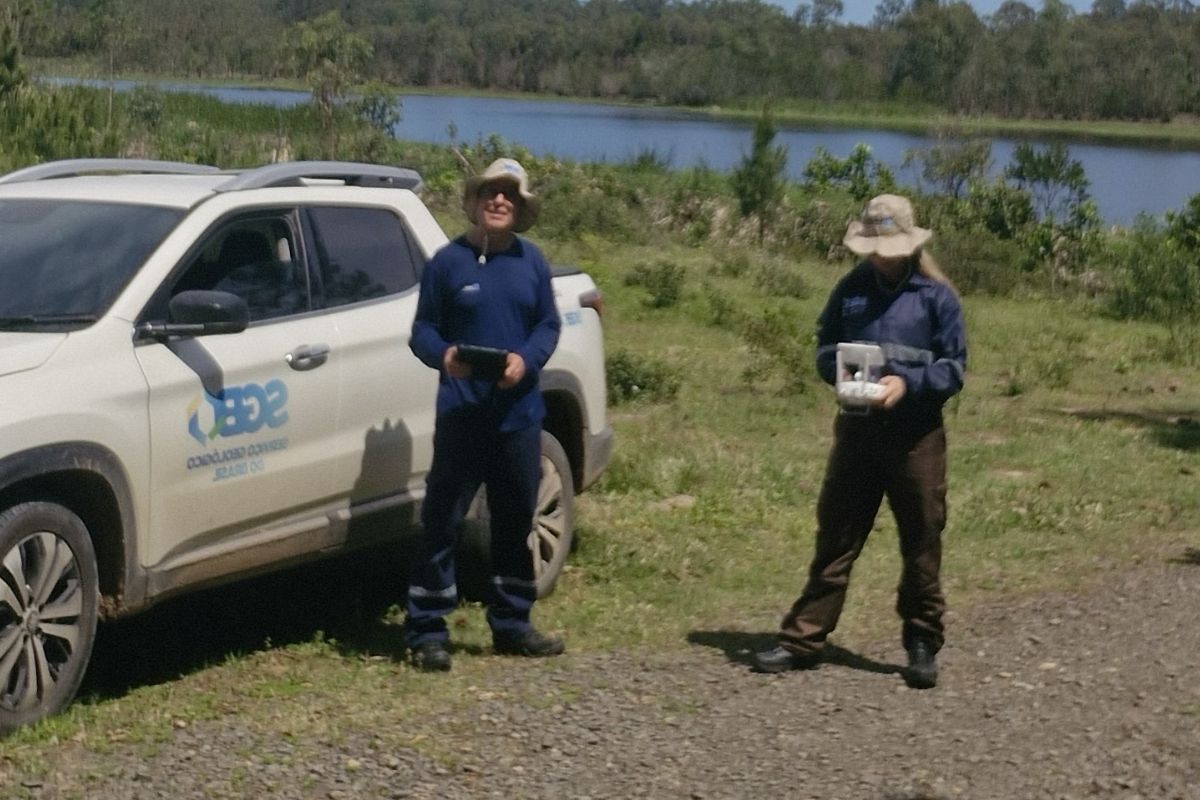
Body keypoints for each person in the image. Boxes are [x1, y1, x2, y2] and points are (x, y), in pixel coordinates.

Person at [753, 194, 967, 689]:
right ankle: (803, 640)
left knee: (921, 539)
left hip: (916, 438)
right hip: (857, 432)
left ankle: (921, 642)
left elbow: (953, 368)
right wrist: (840, 373)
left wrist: (907, 384)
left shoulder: (937, 297)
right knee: (837, 535)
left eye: (889, 248)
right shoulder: (850, 289)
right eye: (874, 248)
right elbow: (824, 346)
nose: (881, 257)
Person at [406, 158, 563, 672]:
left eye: (509, 195)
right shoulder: (446, 263)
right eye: (491, 192)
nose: (499, 201)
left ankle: (513, 624)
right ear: (474, 203)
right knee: (442, 521)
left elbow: (547, 326)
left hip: (518, 416)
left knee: (515, 520)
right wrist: (445, 355)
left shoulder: (532, 263)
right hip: (462, 415)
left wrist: (526, 360)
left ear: (519, 209)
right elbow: (422, 331)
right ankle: (428, 631)